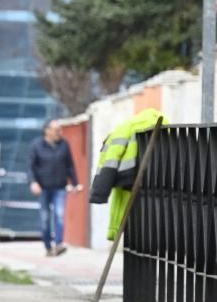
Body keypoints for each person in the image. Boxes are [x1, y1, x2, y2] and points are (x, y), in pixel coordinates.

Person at [89, 107, 167, 241]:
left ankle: (120, 234)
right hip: (157, 178)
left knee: (123, 206)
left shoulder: (126, 127)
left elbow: (109, 160)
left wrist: (99, 192)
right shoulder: (167, 126)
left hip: (127, 177)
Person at [28, 119, 79, 257]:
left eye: (60, 130)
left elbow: (70, 165)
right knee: (45, 218)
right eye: (57, 130)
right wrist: (33, 182)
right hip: (43, 187)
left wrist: (75, 183)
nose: (59, 133)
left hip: (60, 187)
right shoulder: (37, 146)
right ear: (47, 131)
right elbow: (31, 168)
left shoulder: (64, 145)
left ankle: (58, 244)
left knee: (59, 215)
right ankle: (47, 246)